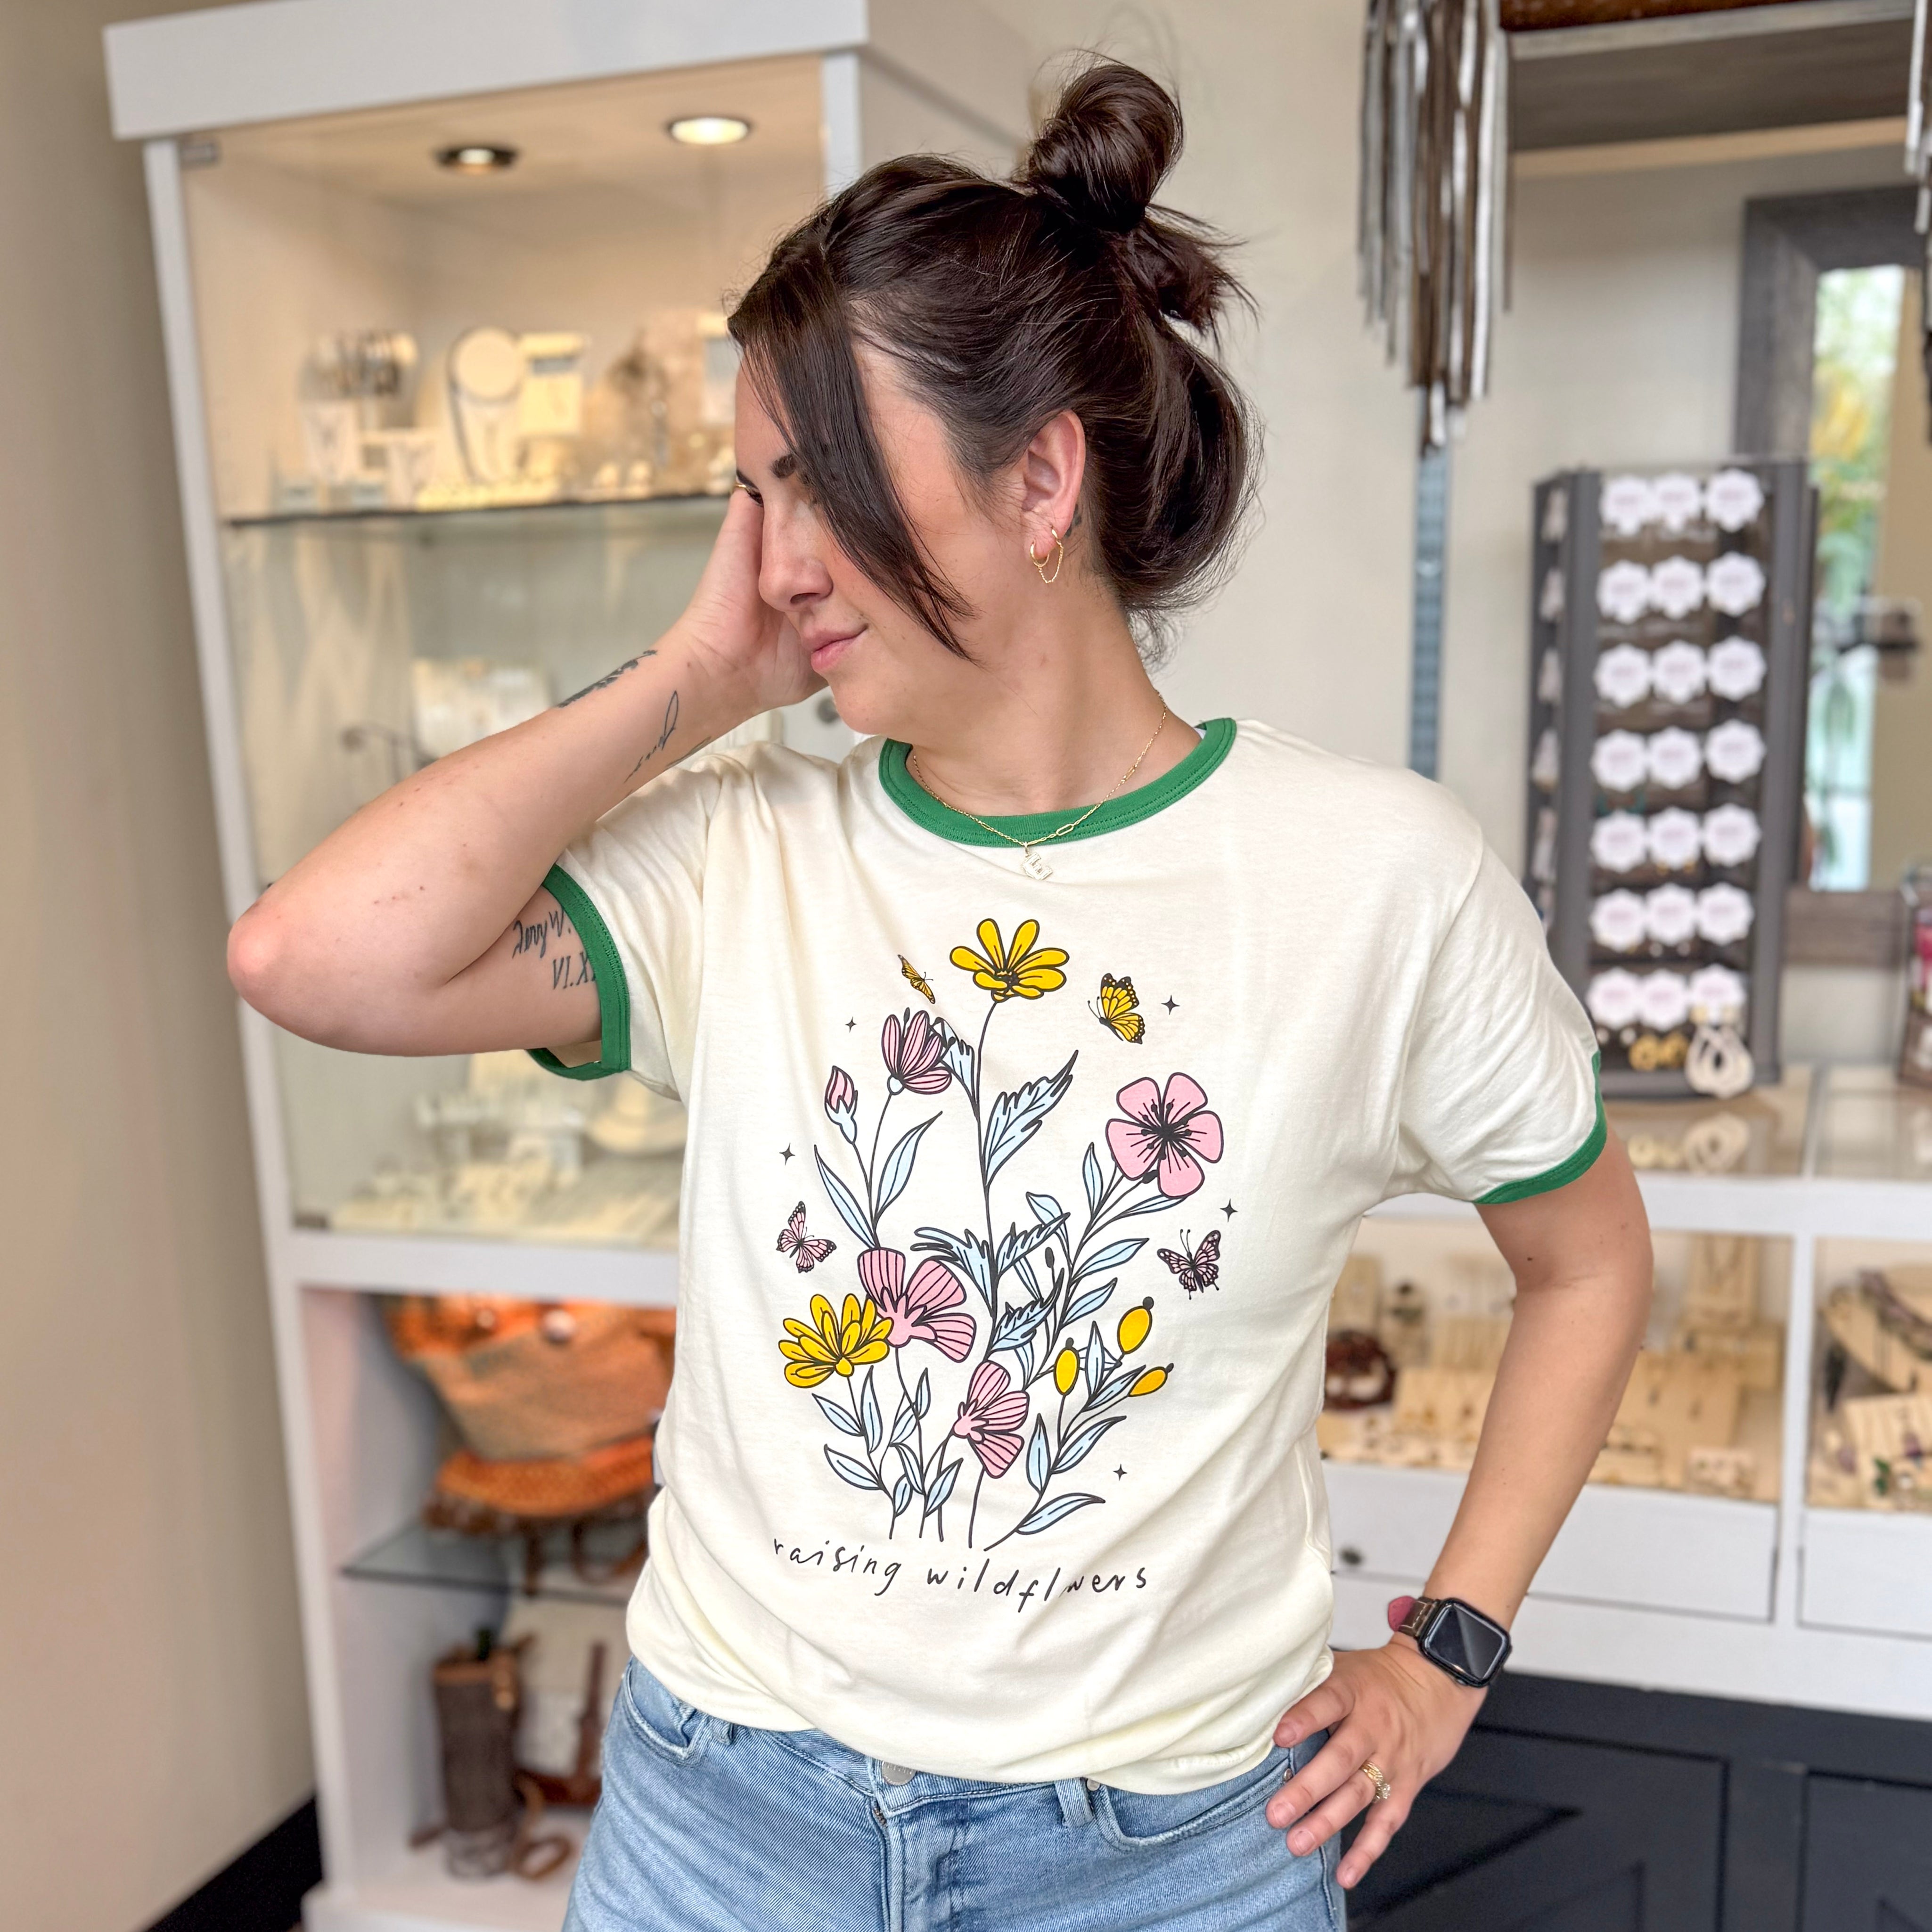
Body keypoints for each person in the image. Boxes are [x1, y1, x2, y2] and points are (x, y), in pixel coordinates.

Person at [229, 60, 1652, 1932]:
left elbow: (1589, 1260)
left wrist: (1442, 1653)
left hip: (1165, 1858)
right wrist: (693, 671)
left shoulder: (1374, 876)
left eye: (817, 484)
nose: (775, 558)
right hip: (718, 1822)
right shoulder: (740, 844)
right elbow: (305, 958)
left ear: (1039, 474)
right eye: (751, 495)